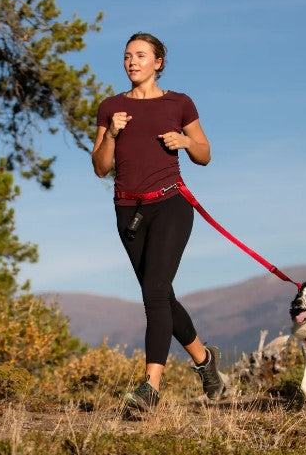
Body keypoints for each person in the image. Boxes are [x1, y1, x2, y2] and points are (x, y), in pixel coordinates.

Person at [92, 32, 225, 412]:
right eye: (127, 56)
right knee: (160, 294)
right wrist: (112, 134)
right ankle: (204, 360)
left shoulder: (179, 103)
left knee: (153, 290)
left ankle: (150, 388)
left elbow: (205, 154)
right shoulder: (110, 107)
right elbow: (101, 167)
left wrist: (185, 142)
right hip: (127, 210)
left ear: (158, 62)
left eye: (141, 55)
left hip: (171, 204)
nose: (132, 61)